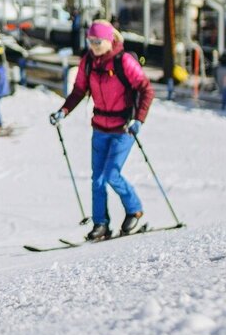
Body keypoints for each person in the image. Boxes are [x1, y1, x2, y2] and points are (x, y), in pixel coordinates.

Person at [49, 21, 155, 241]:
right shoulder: (88, 62)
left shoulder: (123, 61)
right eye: (90, 41)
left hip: (124, 128)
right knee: (97, 179)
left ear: (109, 40)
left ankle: (134, 209)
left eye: (98, 41)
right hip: (100, 127)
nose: (94, 46)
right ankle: (100, 224)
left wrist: (139, 120)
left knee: (111, 174)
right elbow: (79, 90)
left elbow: (146, 89)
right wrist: (63, 111)